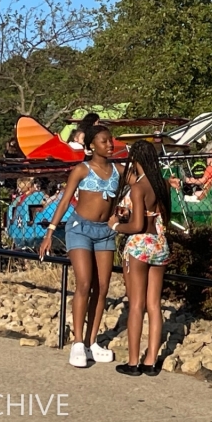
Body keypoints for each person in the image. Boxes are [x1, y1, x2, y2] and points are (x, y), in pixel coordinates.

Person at [39, 125, 121, 367]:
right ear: (92, 145)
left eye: (110, 141)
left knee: (103, 287)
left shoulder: (119, 170)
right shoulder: (81, 170)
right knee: (84, 282)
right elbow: (64, 202)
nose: (110, 145)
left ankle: (92, 341)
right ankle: (77, 342)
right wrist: (50, 232)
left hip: (105, 232)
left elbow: (133, 188)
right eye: (105, 141)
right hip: (80, 228)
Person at [108, 140, 171, 376]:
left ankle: (133, 361)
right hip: (160, 243)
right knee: (154, 305)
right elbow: (160, 216)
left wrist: (116, 226)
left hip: (139, 246)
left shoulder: (137, 187)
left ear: (135, 159)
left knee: (136, 304)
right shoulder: (163, 184)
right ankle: (151, 360)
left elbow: (137, 225)